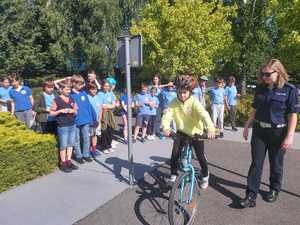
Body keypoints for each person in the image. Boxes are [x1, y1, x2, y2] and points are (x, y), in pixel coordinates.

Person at [240, 59, 300, 208]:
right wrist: (247, 126)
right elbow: (255, 109)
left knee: (276, 164)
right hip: (260, 131)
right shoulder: (260, 88)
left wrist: (290, 135)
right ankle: (250, 195)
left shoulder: (289, 90)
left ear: (278, 72)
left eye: (267, 74)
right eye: (262, 74)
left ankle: (274, 189)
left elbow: (293, 115)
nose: (264, 77)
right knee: (256, 164)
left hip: (278, 132)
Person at [162, 74, 215, 189]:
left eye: (185, 92)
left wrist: (210, 129)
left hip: (196, 132)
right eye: (180, 92)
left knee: (200, 156)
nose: (182, 95)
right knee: (175, 154)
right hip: (182, 132)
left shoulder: (194, 102)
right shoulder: (174, 102)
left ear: (190, 92)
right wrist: (165, 127)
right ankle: (173, 175)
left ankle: (205, 176)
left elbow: (204, 115)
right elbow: (167, 115)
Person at [50, 79, 78, 173]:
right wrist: (60, 111)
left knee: (70, 144)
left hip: (72, 124)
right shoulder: (56, 100)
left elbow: (76, 111)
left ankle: (69, 161)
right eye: (67, 90)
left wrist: (72, 111)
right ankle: (63, 163)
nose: (69, 91)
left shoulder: (72, 99)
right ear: (61, 89)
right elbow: (51, 113)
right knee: (63, 145)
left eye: (69, 90)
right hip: (62, 126)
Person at [70, 75, 97, 163]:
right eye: (80, 84)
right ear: (73, 83)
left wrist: (93, 118)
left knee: (86, 138)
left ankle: (86, 154)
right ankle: (79, 156)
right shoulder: (70, 95)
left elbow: (89, 106)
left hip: (86, 120)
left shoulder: (84, 93)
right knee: (76, 139)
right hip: (75, 121)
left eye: (82, 84)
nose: (82, 86)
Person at [98, 80, 117, 154]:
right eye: (105, 86)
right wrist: (108, 106)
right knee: (104, 130)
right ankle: (104, 147)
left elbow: (114, 105)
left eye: (108, 86)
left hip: (110, 114)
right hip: (103, 114)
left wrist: (107, 106)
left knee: (110, 129)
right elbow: (101, 105)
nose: (106, 87)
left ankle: (109, 145)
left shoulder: (111, 93)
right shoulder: (99, 94)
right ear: (102, 86)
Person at [87, 82, 102, 158]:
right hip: (89, 121)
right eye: (92, 89)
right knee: (89, 136)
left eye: (95, 89)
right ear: (89, 90)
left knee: (95, 135)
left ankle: (94, 149)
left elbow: (100, 110)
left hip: (97, 121)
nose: (94, 91)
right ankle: (88, 150)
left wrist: (99, 120)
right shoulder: (87, 97)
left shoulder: (98, 97)